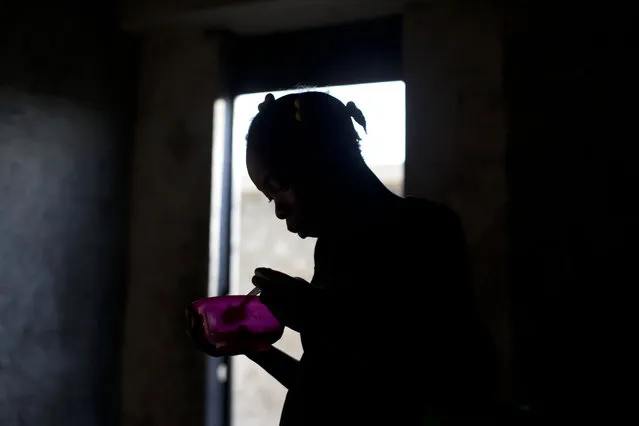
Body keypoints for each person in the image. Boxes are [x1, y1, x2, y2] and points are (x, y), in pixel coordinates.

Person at [190, 91, 497, 425]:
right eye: (269, 198)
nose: (279, 211)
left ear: (320, 161)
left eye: (279, 188)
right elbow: (326, 390)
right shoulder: (332, 249)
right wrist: (254, 347)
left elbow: (427, 380)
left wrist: (313, 313)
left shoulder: (425, 230)